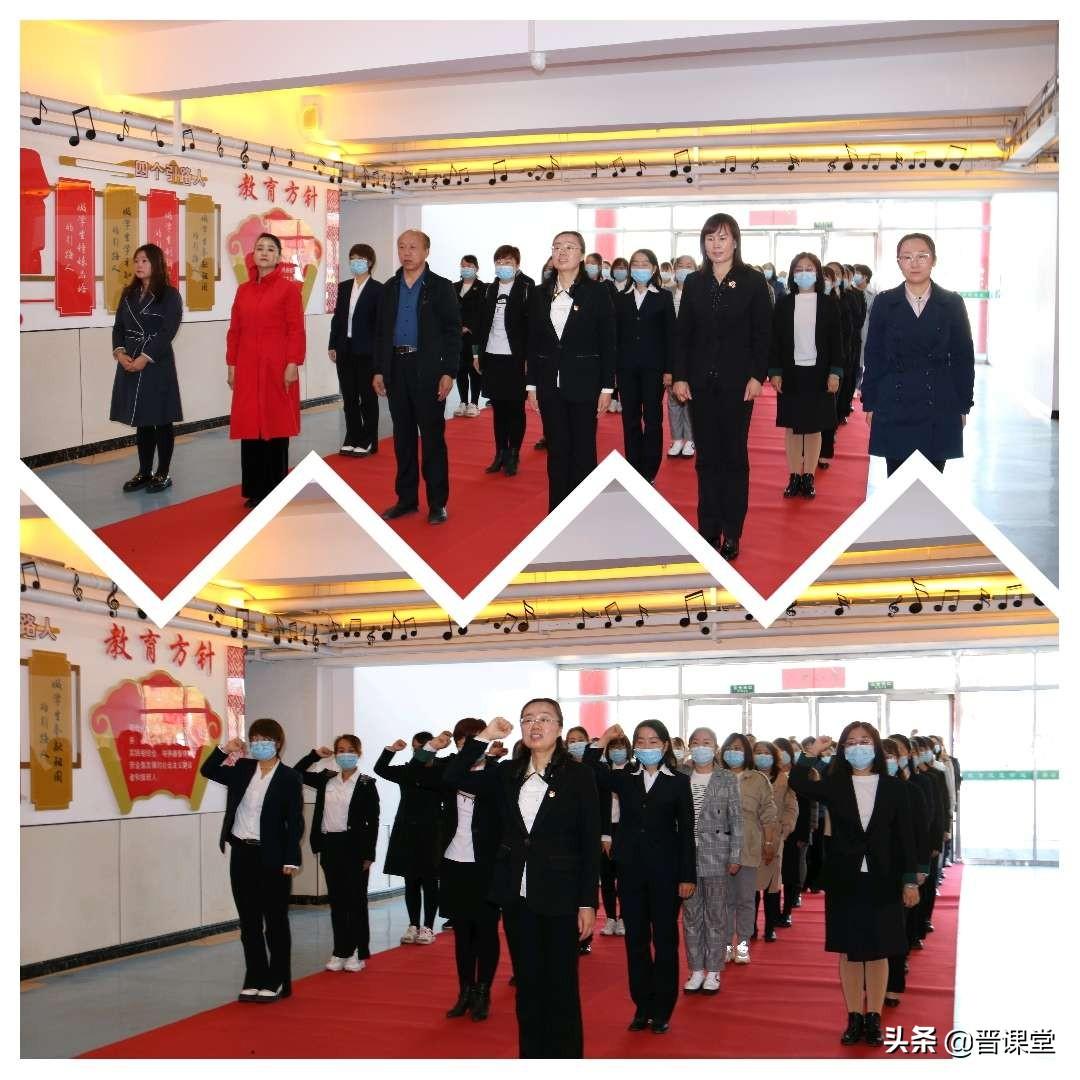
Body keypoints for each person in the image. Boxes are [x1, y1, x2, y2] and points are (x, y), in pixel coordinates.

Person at [449, 704, 600, 1059]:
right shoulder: (507, 773)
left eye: (544, 719)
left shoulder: (578, 775)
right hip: (517, 895)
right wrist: (484, 737)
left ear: (559, 727)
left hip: (561, 895)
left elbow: (589, 840)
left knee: (561, 987)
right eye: (528, 719)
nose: (535, 725)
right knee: (528, 986)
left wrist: (587, 902)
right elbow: (453, 776)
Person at [788, 726, 919, 1047]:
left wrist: (910, 880)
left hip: (883, 876)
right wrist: (810, 753)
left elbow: (905, 837)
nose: (858, 748)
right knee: (849, 949)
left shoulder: (895, 787)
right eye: (850, 743)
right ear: (843, 750)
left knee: (878, 950)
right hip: (845, 877)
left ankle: (874, 1017)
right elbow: (798, 782)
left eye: (864, 742)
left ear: (876, 747)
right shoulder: (836, 784)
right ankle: (854, 1017)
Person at [671, 214, 772, 561]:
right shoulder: (695, 282)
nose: (716, 245)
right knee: (707, 458)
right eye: (710, 238)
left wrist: (757, 376)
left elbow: (763, 333)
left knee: (733, 457)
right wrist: (680, 375)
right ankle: (708, 527)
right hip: (699, 384)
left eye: (723, 238)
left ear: (735, 242)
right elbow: (683, 334)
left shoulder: (752, 281)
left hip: (737, 384)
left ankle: (732, 531)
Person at [589, 721, 695, 1035]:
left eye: (653, 741)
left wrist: (687, 875)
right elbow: (591, 769)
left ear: (665, 746)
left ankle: (662, 1009)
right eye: (641, 741)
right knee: (635, 941)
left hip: (666, 873)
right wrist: (605, 738)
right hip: (631, 872)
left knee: (665, 941)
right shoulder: (625, 778)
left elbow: (686, 831)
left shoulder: (678, 782)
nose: (647, 746)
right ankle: (642, 1006)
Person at [200, 719, 303, 1002]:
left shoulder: (290, 777)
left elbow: (295, 822)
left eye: (264, 739)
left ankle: (278, 978)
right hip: (242, 852)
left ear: (278, 743)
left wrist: (292, 858)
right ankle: (254, 975)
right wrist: (224, 749)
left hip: (273, 856)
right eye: (254, 739)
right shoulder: (243, 768)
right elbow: (208, 770)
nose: (258, 744)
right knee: (249, 920)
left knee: (275, 920)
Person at [861, 233, 975, 476]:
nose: (914, 263)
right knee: (898, 481)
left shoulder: (952, 303)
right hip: (894, 403)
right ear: (898, 262)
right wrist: (869, 402)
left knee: (931, 482)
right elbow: (873, 355)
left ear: (934, 260)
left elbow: (963, 358)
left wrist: (963, 405)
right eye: (907, 257)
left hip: (939, 404)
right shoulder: (885, 302)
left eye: (922, 256)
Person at [373, 229, 461, 525]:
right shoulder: (390, 287)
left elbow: (452, 333)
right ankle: (406, 499)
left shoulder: (440, 287)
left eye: (413, 247)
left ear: (426, 251)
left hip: (428, 370)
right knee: (403, 438)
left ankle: (437, 503)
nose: (406, 253)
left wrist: (449, 371)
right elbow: (381, 333)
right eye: (402, 247)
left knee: (432, 439)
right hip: (396, 368)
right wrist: (379, 369)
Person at [526, 230, 616, 511]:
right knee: (557, 451)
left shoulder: (597, 292)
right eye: (556, 247)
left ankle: (584, 513)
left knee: (583, 452)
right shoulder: (539, 293)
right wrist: (531, 385)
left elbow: (608, 342)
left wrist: (607, 387)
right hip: (549, 384)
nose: (562, 252)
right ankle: (558, 513)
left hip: (584, 383)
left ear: (581, 255)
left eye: (569, 247)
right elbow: (533, 342)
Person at [424, 719, 505, 1022]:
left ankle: (483, 991)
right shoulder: (450, 771)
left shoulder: (497, 774)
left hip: (485, 864)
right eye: (462, 742)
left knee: (485, 931)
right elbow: (416, 771)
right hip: (453, 861)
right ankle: (465, 990)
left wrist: (482, 747)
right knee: (462, 932)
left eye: (473, 741)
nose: (466, 747)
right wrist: (431, 747)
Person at [226, 232, 305, 508]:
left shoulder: (289, 290)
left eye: (271, 249)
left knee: (275, 425)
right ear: (253, 254)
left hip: (277, 366)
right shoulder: (243, 290)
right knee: (250, 426)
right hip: (248, 366)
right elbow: (235, 331)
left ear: (278, 257)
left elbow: (296, 330)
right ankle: (254, 489)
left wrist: (293, 363)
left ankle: (275, 489)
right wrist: (232, 364)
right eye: (260, 248)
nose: (264, 253)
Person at [293, 734, 379, 972]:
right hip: (330, 845)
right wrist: (314, 756)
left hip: (355, 848)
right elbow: (296, 773)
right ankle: (340, 950)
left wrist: (369, 854)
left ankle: (358, 951)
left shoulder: (366, 784)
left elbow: (373, 822)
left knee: (355, 901)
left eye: (350, 750)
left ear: (358, 753)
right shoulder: (326, 779)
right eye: (340, 750)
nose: (345, 754)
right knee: (337, 902)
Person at [768, 252, 844, 499]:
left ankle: (808, 476)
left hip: (819, 373)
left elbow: (837, 342)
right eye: (799, 269)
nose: (803, 273)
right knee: (792, 427)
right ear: (792, 274)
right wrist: (775, 372)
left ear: (817, 273)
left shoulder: (828, 304)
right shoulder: (784, 303)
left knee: (813, 428)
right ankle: (794, 476)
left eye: (809, 268)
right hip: (791, 373)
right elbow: (775, 342)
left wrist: (835, 372)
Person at [110, 244, 184, 494]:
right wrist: (120, 353)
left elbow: (168, 331)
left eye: (144, 260)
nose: (139, 265)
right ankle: (144, 471)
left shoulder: (170, 295)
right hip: (130, 359)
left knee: (161, 419)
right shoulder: (128, 293)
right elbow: (118, 327)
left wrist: (145, 357)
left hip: (156, 362)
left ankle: (163, 472)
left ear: (157, 264)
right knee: (142, 420)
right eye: (136, 261)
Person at [679, 727, 742, 996]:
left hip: (718, 855)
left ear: (715, 748)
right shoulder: (680, 775)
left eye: (707, 742)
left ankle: (714, 970)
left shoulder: (726, 778)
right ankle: (696, 969)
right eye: (695, 742)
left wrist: (735, 854)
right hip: (686, 857)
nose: (700, 746)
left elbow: (736, 818)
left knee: (716, 915)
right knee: (691, 916)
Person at [373, 730, 448, 945]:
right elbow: (380, 769)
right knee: (411, 880)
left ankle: (428, 926)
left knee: (430, 881)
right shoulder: (407, 770)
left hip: (433, 833)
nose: (418, 751)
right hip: (407, 831)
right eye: (415, 747)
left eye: (422, 747)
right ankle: (413, 924)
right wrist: (391, 750)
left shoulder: (442, 769)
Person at [615, 248, 677, 484]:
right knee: (630, 418)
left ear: (653, 269)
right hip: (626, 367)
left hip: (654, 368)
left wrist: (670, 369)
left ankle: (650, 469)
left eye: (644, 264)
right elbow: (615, 336)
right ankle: (633, 464)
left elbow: (671, 336)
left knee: (652, 419)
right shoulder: (620, 297)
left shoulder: (663, 297)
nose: (639, 268)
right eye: (636, 264)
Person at [474, 245, 534, 477]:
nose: (503, 266)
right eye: (499, 262)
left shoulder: (527, 287)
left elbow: (533, 327)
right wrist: (477, 354)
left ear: (517, 264)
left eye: (508, 262)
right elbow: (481, 323)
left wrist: (529, 358)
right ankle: (500, 452)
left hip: (515, 357)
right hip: (492, 355)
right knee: (498, 408)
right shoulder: (489, 289)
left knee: (515, 408)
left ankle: (514, 454)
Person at [718, 731, 777, 965]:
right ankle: (725, 945)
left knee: (745, 900)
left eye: (739, 748)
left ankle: (742, 946)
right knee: (724, 901)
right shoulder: (716, 777)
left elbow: (769, 814)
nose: (734, 753)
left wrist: (769, 843)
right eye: (730, 748)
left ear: (747, 753)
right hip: (719, 846)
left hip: (749, 846)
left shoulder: (758, 779)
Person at [880, 737, 930, 1008]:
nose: (888, 760)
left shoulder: (911, 791)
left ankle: (893, 985)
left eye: (893, 755)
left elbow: (920, 833)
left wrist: (920, 869)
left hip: (902, 870)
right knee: (875, 930)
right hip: (874, 870)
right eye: (883, 755)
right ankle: (874, 982)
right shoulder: (868, 790)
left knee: (897, 929)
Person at [328, 243, 383, 456]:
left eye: (360, 259)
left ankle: (368, 439)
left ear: (369, 262)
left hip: (366, 351)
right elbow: (338, 319)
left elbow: (380, 326)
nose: (355, 263)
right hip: (345, 348)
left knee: (367, 397)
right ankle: (352, 436)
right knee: (349, 397)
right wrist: (333, 344)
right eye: (352, 259)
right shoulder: (343, 287)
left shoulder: (378, 289)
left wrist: (378, 354)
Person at [752, 741, 797, 942]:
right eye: (758, 753)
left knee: (772, 887)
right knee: (751, 888)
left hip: (775, 839)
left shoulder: (784, 780)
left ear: (774, 757)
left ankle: (770, 927)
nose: (762, 756)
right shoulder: (747, 777)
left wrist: (785, 830)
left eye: (766, 753)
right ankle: (750, 927)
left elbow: (791, 808)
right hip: (751, 839)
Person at [598, 731, 632, 937]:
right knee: (607, 876)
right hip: (606, 829)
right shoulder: (603, 770)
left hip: (626, 829)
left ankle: (624, 918)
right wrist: (605, 835)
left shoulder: (634, 770)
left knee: (625, 878)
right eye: (613, 748)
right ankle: (610, 917)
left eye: (621, 747)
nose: (617, 751)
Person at [666, 255, 697, 459]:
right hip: (671, 353)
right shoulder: (666, 292)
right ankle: (677, 438)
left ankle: (691, 439)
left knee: (690, 399)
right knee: (673, 400)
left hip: (694, 355)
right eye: (680, 266)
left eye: (689, 266)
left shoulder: (700, 291)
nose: (684, 269)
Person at [453, 255, 486, 418]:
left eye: (469, 266)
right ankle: (463, 401)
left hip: (474, 336)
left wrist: (468, 326)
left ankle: (474, 402)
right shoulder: (454, 287)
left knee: (474, 368)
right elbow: (450, 310)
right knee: (460, 369)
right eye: (463, 266)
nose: (466, 269)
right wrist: (457, 327)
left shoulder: (483, 288)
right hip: (458, 336)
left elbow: (482, 311)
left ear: (476, 268)